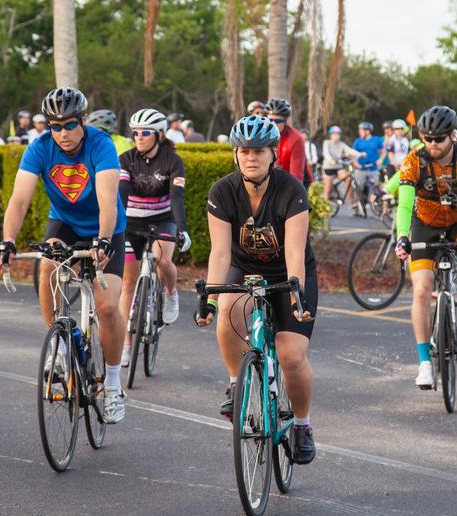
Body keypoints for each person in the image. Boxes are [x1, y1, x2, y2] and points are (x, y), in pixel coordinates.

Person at [0, 87, 130, 423]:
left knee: (108, 306)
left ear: (82, 121)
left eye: (69, 125)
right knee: (46, 266)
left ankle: (112, 384)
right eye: (55, 126)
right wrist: (7, 241)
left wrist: (103, 240)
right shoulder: (38, 148)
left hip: (104, 225)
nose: (63, 133)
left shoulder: (101, 144)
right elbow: (20, 200)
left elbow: (107, 199)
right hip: (64, 224)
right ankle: (60, 345)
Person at [196, 115, 318, 464]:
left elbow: (295, 250)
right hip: (244, 269)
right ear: (236, 154)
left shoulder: (292, 189)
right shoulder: (222, 191)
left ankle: (302, 425)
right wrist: (209, 298)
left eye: (259, 151)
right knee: (227, 310)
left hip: (289, 273)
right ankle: (236, 383)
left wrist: (295, 296)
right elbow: (220, 252)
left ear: (272, 153)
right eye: (245, 151)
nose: (252, 158)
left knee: (291, 356)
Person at [392, 106, 457, 389]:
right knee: (421, 290)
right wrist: (402, 236)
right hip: (426, 223)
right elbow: (406, 204)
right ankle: (423, 363)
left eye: (439, 139)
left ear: (452, 136)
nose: (432, 144)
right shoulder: (413, 161)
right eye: (428, 138)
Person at [118, 108, 189, 347]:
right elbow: (122, 193)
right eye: (135, 132)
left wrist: (182, 229)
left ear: (159, 134)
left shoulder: (173, 161)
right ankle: (125, 344)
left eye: (145, 132)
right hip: (131, 221)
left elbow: (177, 197)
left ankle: (170, 293)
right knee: (127, 283)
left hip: (162, 219)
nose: (139, 136)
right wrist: (116, 224)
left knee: (161, 259)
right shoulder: (126, 159)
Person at [266, 98, 310, 184]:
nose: (273, 124)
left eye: (278, 121)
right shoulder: (262, 134)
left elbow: (296, 176)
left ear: (285, 122)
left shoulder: (296, 138)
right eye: (270, 120)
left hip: (297, 181)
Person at [320, 125, 363, 213]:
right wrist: (332, 160)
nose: (337, 136)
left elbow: (350, 150)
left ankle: (350, 201)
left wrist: (360, 154)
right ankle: (323, 209)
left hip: (338, 167)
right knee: (327, 190)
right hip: (328, 168)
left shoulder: (341, 144)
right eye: (335, 134)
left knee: (349, 179)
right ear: (331, 135)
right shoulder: (327, 143)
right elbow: (326, 153)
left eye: (338, 134)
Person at [351, 121, 385, 209]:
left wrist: (380, 160)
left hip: (373, 168)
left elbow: (383, 151)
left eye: (361, 130)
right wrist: (356, 163)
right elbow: (353, 154)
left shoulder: (376, 140)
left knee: (377, 186)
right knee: (359, 187)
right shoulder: (358, 141)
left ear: (368, 131)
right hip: (361, 168)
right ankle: (358, 204)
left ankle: (376, 204)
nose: (360, 132)